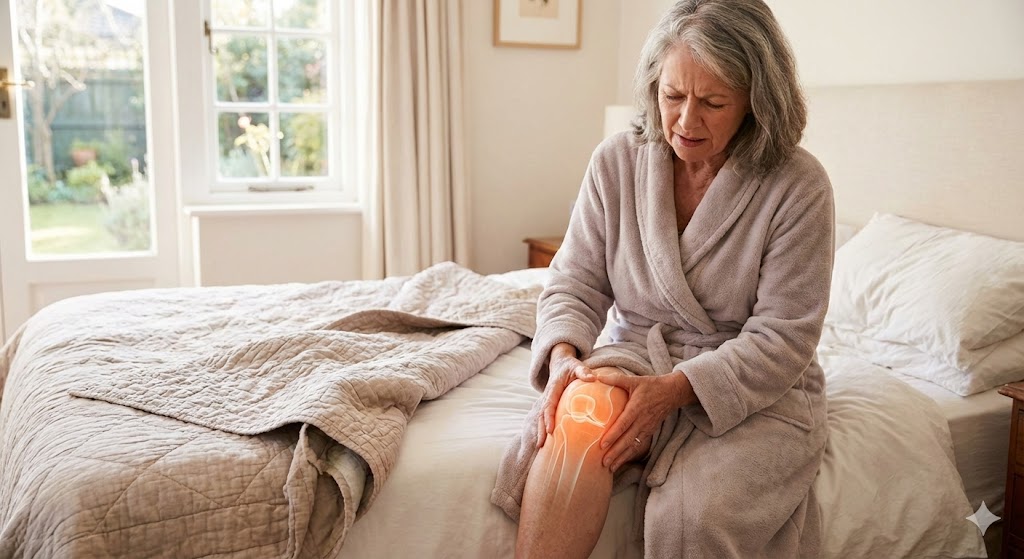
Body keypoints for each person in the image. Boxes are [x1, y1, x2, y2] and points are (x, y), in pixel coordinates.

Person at [490, 0, 835, 557]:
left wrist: (675, 391)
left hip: (748, 386)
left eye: (714, 102)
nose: (686, 121)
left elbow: (785, 336)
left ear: (756, 101)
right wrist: (563, 358)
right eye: (672, 96)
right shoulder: (617, 161)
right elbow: (575, 278)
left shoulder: (798, 186)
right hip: (637, 355)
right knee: (576, 427)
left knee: (694, 516)